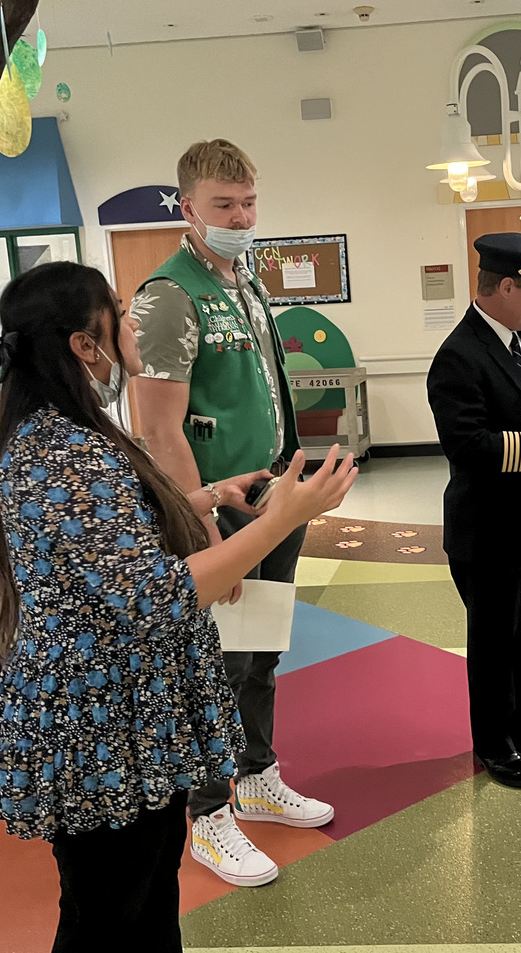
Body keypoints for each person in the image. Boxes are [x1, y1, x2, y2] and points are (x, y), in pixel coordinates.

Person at [0, 262, 356, 952]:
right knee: (110, 914)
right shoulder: (63, 452)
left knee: (147, 896)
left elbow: (111, 536)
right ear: (84, 344)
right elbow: (156, 595)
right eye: (118, 312)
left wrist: (209, 496)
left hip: (121, 711)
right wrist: (281, 520)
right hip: (98, 723)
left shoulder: (69, 433)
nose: (132, 325)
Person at [130, 138, 331, 887]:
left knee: (263, 648)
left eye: (249, 203)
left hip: (274, 493)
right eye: (224, 205)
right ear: (187, 207)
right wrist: (202, 524)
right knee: (215, 661)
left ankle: (256, 775)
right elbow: (158, 429)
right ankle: (208, 815)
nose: (242, 217)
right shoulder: (168, 295)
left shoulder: (246, 280)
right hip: (221, 508)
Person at [427, 232, 521, 789]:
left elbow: (519, 400)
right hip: (488, 530)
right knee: (493, 646)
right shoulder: (458, 355)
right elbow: (466, 446)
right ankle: (494, 743)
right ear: (507, 286)